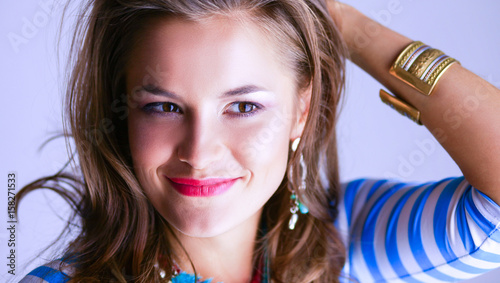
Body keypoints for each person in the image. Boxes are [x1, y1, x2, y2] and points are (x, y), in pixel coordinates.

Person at [16, 0, 500, 282]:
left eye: (243, 107)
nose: (199, 154)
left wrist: (338, 21)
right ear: (121, 111)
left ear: (301, 112)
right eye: (163, 106)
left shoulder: (350, 238)